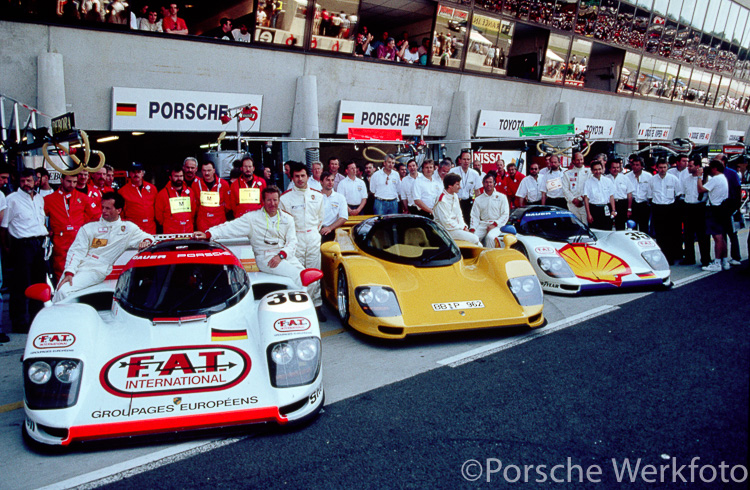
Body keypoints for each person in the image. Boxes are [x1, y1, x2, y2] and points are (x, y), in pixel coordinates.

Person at [196, 186, 306, 288]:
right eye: (269, 200)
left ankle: (306, 303)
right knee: (297, 275)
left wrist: (281, 255)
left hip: (284, 255)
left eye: (275, 200)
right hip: (266, 257)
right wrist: (208, 234)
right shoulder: (252, 218)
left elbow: (292, 242)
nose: (272, 203)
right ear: (263, 201)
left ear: (279, 200)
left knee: (305, 274)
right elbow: (230, 227)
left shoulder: (288, 218)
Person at [55, 193, 154, 301]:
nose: (103, 211)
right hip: (78, 266)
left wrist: (146, 242)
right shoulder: (89, 227)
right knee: (58, 291)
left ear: (118, 210)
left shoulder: (127, 228)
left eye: (108, 208)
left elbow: (149, 238)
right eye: (102, 207)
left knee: (64, 291)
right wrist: (69, 271)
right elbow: (77, 251)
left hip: (96, 269)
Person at [0, 168, 48, 332]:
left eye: (29, 180)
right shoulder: (11, 200)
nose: (26, 184)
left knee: (39, 283)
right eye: (22, 181)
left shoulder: (40, 199)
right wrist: (7, 247)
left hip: (38, 244)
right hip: (21, 245)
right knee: (20, 285)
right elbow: (4, 227)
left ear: (35, 181)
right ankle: (19, 322)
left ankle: (37, 319)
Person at [280, 161, 326, 320]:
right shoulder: (285, 199)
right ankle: (298, 307)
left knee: (314, 272)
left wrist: (313, 233)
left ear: (308, 176)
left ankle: (316, 306)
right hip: (295, 239)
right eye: (297, 176)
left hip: (312, 237)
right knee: (296, 274)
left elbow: (321, 219)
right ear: (291, 177)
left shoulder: (318, 195)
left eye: (303, 175)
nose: (300, 179)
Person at [44, 174, 97, 283]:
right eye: (69, 181)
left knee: (81, 269)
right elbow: (39, 218)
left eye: (74, 182)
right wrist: (46, 230)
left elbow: (96, 216)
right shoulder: (48, 199)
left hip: (79, 239)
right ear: (61, 180)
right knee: (61, 270)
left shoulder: (83, 198)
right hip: (60, 241)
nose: (71, 185)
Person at [697, 160, 730, 271]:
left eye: (711, 168)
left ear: (715, 168)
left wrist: (699, 177)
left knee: (717, 237)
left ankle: (717, 263)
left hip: (714, 209)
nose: (710, 170)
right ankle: (724, 261)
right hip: (721, 209)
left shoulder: (716, 179)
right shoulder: (723, 178)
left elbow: (701, 189)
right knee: (721, 236)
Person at [649, 159, 683, 264]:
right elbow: (649, 196)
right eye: (660, 167)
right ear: (656, 168)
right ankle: (661, 257)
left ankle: (671, 257)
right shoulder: (652, 180)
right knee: (660, 234)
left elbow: (679, 194)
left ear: (667, 167)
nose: (662, 170)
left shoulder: (673, 179)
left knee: (671, 233)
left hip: (670, 208)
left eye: (664, 167)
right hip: (657, 208)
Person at [433, 173, 480, 245]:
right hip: (444, 231)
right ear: (450, 186)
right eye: (457, 184)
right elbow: (446, 223)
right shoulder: (442, 200)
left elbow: (459, 214)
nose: (460, 187)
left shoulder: (454, 195)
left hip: (455, 228)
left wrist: (464, 226)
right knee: (475, 239)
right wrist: (461, 227)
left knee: (478, 242)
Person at [681, 158, 710, 267]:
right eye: (688, 166)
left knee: (702, 235)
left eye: (691, 166)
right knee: (688, 235)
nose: (688, 168)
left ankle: (706, 259)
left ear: (698, 166)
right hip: (688, 207)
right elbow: (684, 193)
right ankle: (689, 257)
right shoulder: (686, 179)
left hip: (700, 207)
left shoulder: (706, 178)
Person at [470, 172, 509, 248]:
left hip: (497, 225)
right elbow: (474, 216)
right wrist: (472, 229)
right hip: (482, 224)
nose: (488, 184)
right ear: (483, 183)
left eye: (490, 182)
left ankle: (489, 256)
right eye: (486, 182)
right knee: (472, 239)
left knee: (490, 237)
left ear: (494, 183)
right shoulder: (478, 199)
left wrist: (494, 224)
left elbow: (505, 214)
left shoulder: (502, 197)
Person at [155, 164, 196, 233]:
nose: (179, 179)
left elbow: (193, 210)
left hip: (187, 230)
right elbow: (159, 216)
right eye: (176, 176)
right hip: (171, 232)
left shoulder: (190, 192)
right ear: (170, 177)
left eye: (181, 176)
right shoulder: (162, 194)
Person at [118, 162, 157, 233]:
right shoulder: (122, 191)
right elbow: (120, 214)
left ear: (142, 173)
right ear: (129, 174)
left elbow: (157, 209)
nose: (136, 174)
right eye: (133, 172)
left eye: (138, 172)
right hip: (133, 229)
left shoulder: (152, 188)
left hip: (150, 228)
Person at [193, 161, 230, 232]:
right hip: (203, 223)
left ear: (214, 170)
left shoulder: (223, 184)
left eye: (209, 170)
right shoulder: (196, 185)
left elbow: (228, 205)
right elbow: (195, 205)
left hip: (219, 221)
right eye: (204, 170)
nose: (206, 173)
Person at [449, 150, 481, 224]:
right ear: (460, 160)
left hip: (468, 202)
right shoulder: (453, 171)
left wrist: (478, 206)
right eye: (464, 159)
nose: (466, 161)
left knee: (468, 222)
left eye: (468, 159)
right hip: (455, 201)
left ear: (470, 160)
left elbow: (477, 192)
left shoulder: (475, 173)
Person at [583, 161, 616, 230]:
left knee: (607, 230)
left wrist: (613, 210)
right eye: (595, 169)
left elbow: (611, 196)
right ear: (592, 171)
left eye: (599, 169)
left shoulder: (608, 181)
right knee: (595, 230)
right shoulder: (588, 182)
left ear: (602, 169)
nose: (598, 171)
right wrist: (588, 214)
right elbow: (586, 199)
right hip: (594, 209)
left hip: (606, 209)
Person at [319, 170, 348, 242]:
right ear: (321, 182)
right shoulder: (316, 196)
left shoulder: (340, 198)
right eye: (327, 180)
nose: (330, 182)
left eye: (332, 180)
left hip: (330, 231)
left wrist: (329, 228)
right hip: (315, 231)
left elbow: (343, 217)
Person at [562, 151, 591, 222]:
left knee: (585, 225)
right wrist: (574, 200)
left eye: (581, 159)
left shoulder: (589, 172)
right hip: (572, 204)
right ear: (573, 161)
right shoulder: (567, 173)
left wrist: (581, 199)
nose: (580, 161)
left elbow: (590, 187)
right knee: (574, 224)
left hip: (584, 204)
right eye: (578, 160)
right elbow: (565, 189)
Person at [606, 159, 634, 230]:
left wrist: (629, 208)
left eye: (617, 167)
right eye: (613, 167)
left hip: (622, 204)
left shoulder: (625, 178)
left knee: (621, 226)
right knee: (608, 225)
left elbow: (629, 194)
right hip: (609, 205)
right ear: (609, 168)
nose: (616, 169)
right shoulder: (605, 179)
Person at [627, 156, 652, 233]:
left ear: (642, 166)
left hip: (644, 204)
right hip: (633, 204)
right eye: (633, 164)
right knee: (632, 227)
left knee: (644, 227)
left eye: (637, 165)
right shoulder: (627, 176)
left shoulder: (648, 176)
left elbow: (650, 191)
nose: (635, 167)